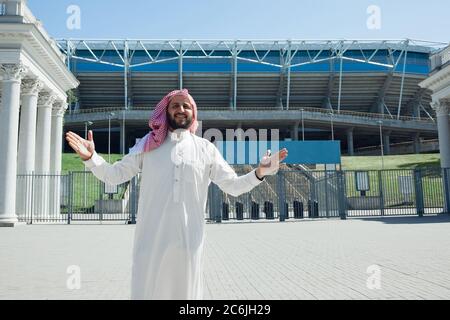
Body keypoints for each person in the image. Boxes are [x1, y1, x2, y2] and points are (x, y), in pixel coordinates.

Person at [65, 89, 288, 300]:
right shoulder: (147, 145)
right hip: (150, 244)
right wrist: (91, 158)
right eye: (175, 105)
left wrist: (259, 172)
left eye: (186, 106)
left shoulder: (205, 149)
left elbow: (233, 185)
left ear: (193, 113)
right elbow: (114, 175)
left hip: (189, 244)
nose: (181, 109)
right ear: (165, 111)